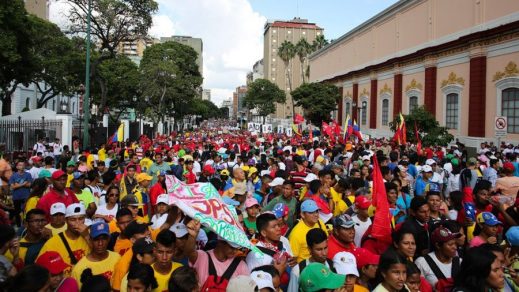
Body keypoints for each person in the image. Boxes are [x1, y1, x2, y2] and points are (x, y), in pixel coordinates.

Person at [186, 221, 249, 290]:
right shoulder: (202, 257)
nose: (235, 251)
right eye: (232, 247)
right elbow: (189, 252)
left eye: (237, 248)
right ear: (220, 242)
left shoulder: (241, 265)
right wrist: (192, 236)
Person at [71, 221, 121, 289]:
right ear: (90, 240)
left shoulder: (117, 258)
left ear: (109, 239)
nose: (100, 243)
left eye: (104, 239)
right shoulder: (79, 269)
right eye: (96, 239)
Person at [9, 160, 32, 227]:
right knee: (17, 212)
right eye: (20, 165)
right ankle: (19, 226)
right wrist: (23, 184)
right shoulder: (13, 176)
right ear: (17, 167)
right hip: (16, 197)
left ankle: (26, 226)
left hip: (26, 196)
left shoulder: (28, 174)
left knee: (26, 212)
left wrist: (17, 185)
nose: (22, 166)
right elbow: (12, 186)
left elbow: (29, 185)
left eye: (23, 165)